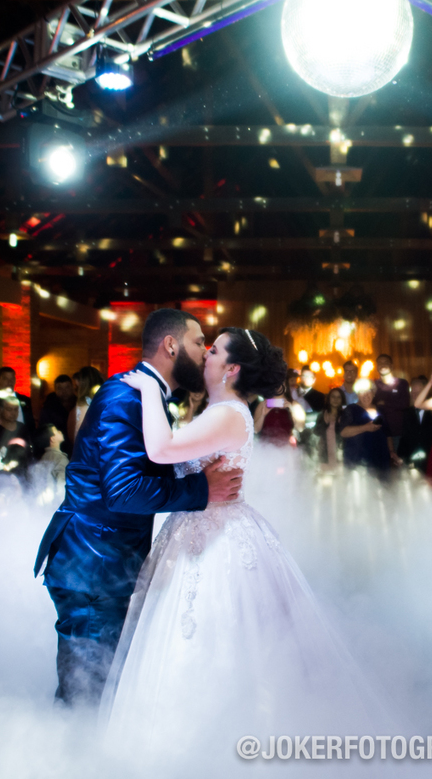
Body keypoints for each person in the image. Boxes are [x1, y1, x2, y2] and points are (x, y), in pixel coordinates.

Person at [102, 327, 380, 754]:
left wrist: (143, 389)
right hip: (198, 527)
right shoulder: (221, 410)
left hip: (218, 540)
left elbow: (162, 450)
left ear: (230, 367)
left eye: (212, 350)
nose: (205, 354)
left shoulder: (229, 413)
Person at [33, 309, 242, 707]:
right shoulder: (124, 397)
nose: (206, 351)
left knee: (105, 685)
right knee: (87, 693)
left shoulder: (145, 396)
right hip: (93, 566)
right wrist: (202, 490)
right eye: (200, 342)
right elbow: (124, 492)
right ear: (171, 345)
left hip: (108, 562)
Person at [338, 378, 394, 474]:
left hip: (381, 456)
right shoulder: (351, 409)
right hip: (359, 458)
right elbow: (343, 432)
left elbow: (387, 433)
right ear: (357, 394)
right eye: (362, 392)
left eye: (368, 391)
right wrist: (365, 427)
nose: (366, 395)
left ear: (374, 393)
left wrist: (392, 452)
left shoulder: (380, 409)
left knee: (383, 487)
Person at [372, 354, 411, 452]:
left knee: (398, 463)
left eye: (385, 362)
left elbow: (405, 403)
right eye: (380, 363)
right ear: (376, 366)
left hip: (397, 431)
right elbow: (372, 406)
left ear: (392, 366)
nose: (382, 365)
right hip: (379, 432)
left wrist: (384, 403)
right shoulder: (373, 385)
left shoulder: (402, 383)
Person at [30, 425, 70, 509]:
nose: (60, 431)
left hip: (42, 506)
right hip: (55, 505)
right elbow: (62, 484)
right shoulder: (59, 458)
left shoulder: (42, 458)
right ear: (52, 439)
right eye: (56, 431)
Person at [65, 365, 104, 448]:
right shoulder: (99, 402)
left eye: (77, 387)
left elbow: (79, 436)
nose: (75, 390)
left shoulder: (85, 405)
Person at [310, 388, 345, 470]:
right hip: (323, 458)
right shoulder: (322, 416)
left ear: (342, 399)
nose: (335, 399)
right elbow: (316, 436)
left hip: (341, 459)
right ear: (328, 398)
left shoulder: (346, 416)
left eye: (338, 397)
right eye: (333, 396)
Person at [40, 374, 77, 443]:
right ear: (55, 390)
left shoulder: (78, 404)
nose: (64, 391)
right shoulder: (49, 407)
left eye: (67, 387)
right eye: (60, 388)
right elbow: (44, 429)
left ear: (72, 387)